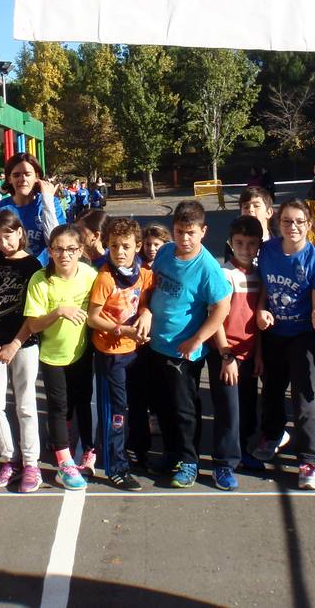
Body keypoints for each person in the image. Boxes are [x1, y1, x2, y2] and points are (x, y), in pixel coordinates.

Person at [135, 201, 232, 489]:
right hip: (156, 345)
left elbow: (221, 309)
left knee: (184, 409)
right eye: (179, 231)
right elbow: (153, 289)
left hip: (183, 351)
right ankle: (172, 454)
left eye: (190, 232)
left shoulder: (208, 269)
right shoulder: (165, 253)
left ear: (203, 231)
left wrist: (197, 339)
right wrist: (147, 310)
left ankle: (189, 461)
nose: (184, 238)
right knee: (163, 406)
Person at [252, 199, 315, 490]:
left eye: (299, 221)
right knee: (271, 390)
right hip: (274, 334)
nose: (293, 226)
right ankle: (272, 435)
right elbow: (263, 289)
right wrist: (261, 311)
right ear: (278, 224)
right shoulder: (268, 250)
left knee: (303, 397)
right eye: (287, 221)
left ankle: (308, 459)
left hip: (302, 336)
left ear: (309, 225)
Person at [0, 210, 44, 493]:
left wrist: (15, 343)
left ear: (19, 232)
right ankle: (9, 458)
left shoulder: (32, 265)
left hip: (23, 344)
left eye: (9, 236)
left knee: (26, 405)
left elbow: (35, 311)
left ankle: (31, 464)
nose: (4, 243)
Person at [25, 224, 100, 490]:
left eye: (70, 249)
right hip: (52, 355)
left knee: (81, 402)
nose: (64, 254)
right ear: (50, 251)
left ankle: (88, 449)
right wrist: (58, 311)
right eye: (58, 249)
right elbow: (32, 325)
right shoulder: (40, 280)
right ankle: (64, 463)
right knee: (58, 406)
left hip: (81, 352)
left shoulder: (90, 276)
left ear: (81, 251)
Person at [87, 217, 153, 492]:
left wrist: (147, 313)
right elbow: (92, 318)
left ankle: (134, 452)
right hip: (110, 353)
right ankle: (115, 466)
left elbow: (146, 303)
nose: (120, 252)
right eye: (114, 246)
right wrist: (121, 330)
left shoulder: (145, 274)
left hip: (135, 352)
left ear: (137, 246)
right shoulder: (105, 278)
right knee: (116, 411)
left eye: (126, 246)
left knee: (135, 406)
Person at [214, 215, 265, 484]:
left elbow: (257, 320)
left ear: (259, 245)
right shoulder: (225, 274)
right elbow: (217, 319)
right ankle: (224, 462)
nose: (245, 248)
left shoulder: (259, 274)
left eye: (251, 243)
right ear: (230, 243)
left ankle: (243, 450)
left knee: (246, 407)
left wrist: (257, 355)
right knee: (228, 410)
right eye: (239, 242)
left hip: (249, 353)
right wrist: (226, 356)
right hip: (228, 354)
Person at [0, 152, 67, 264]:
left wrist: (47, 201)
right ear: (9, 178)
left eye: (28, 174)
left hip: (42, 273)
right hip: (9, 275)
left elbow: (57, 242)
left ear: (37, 177)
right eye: (16, 175)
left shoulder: (51, 203)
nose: (22, 179)